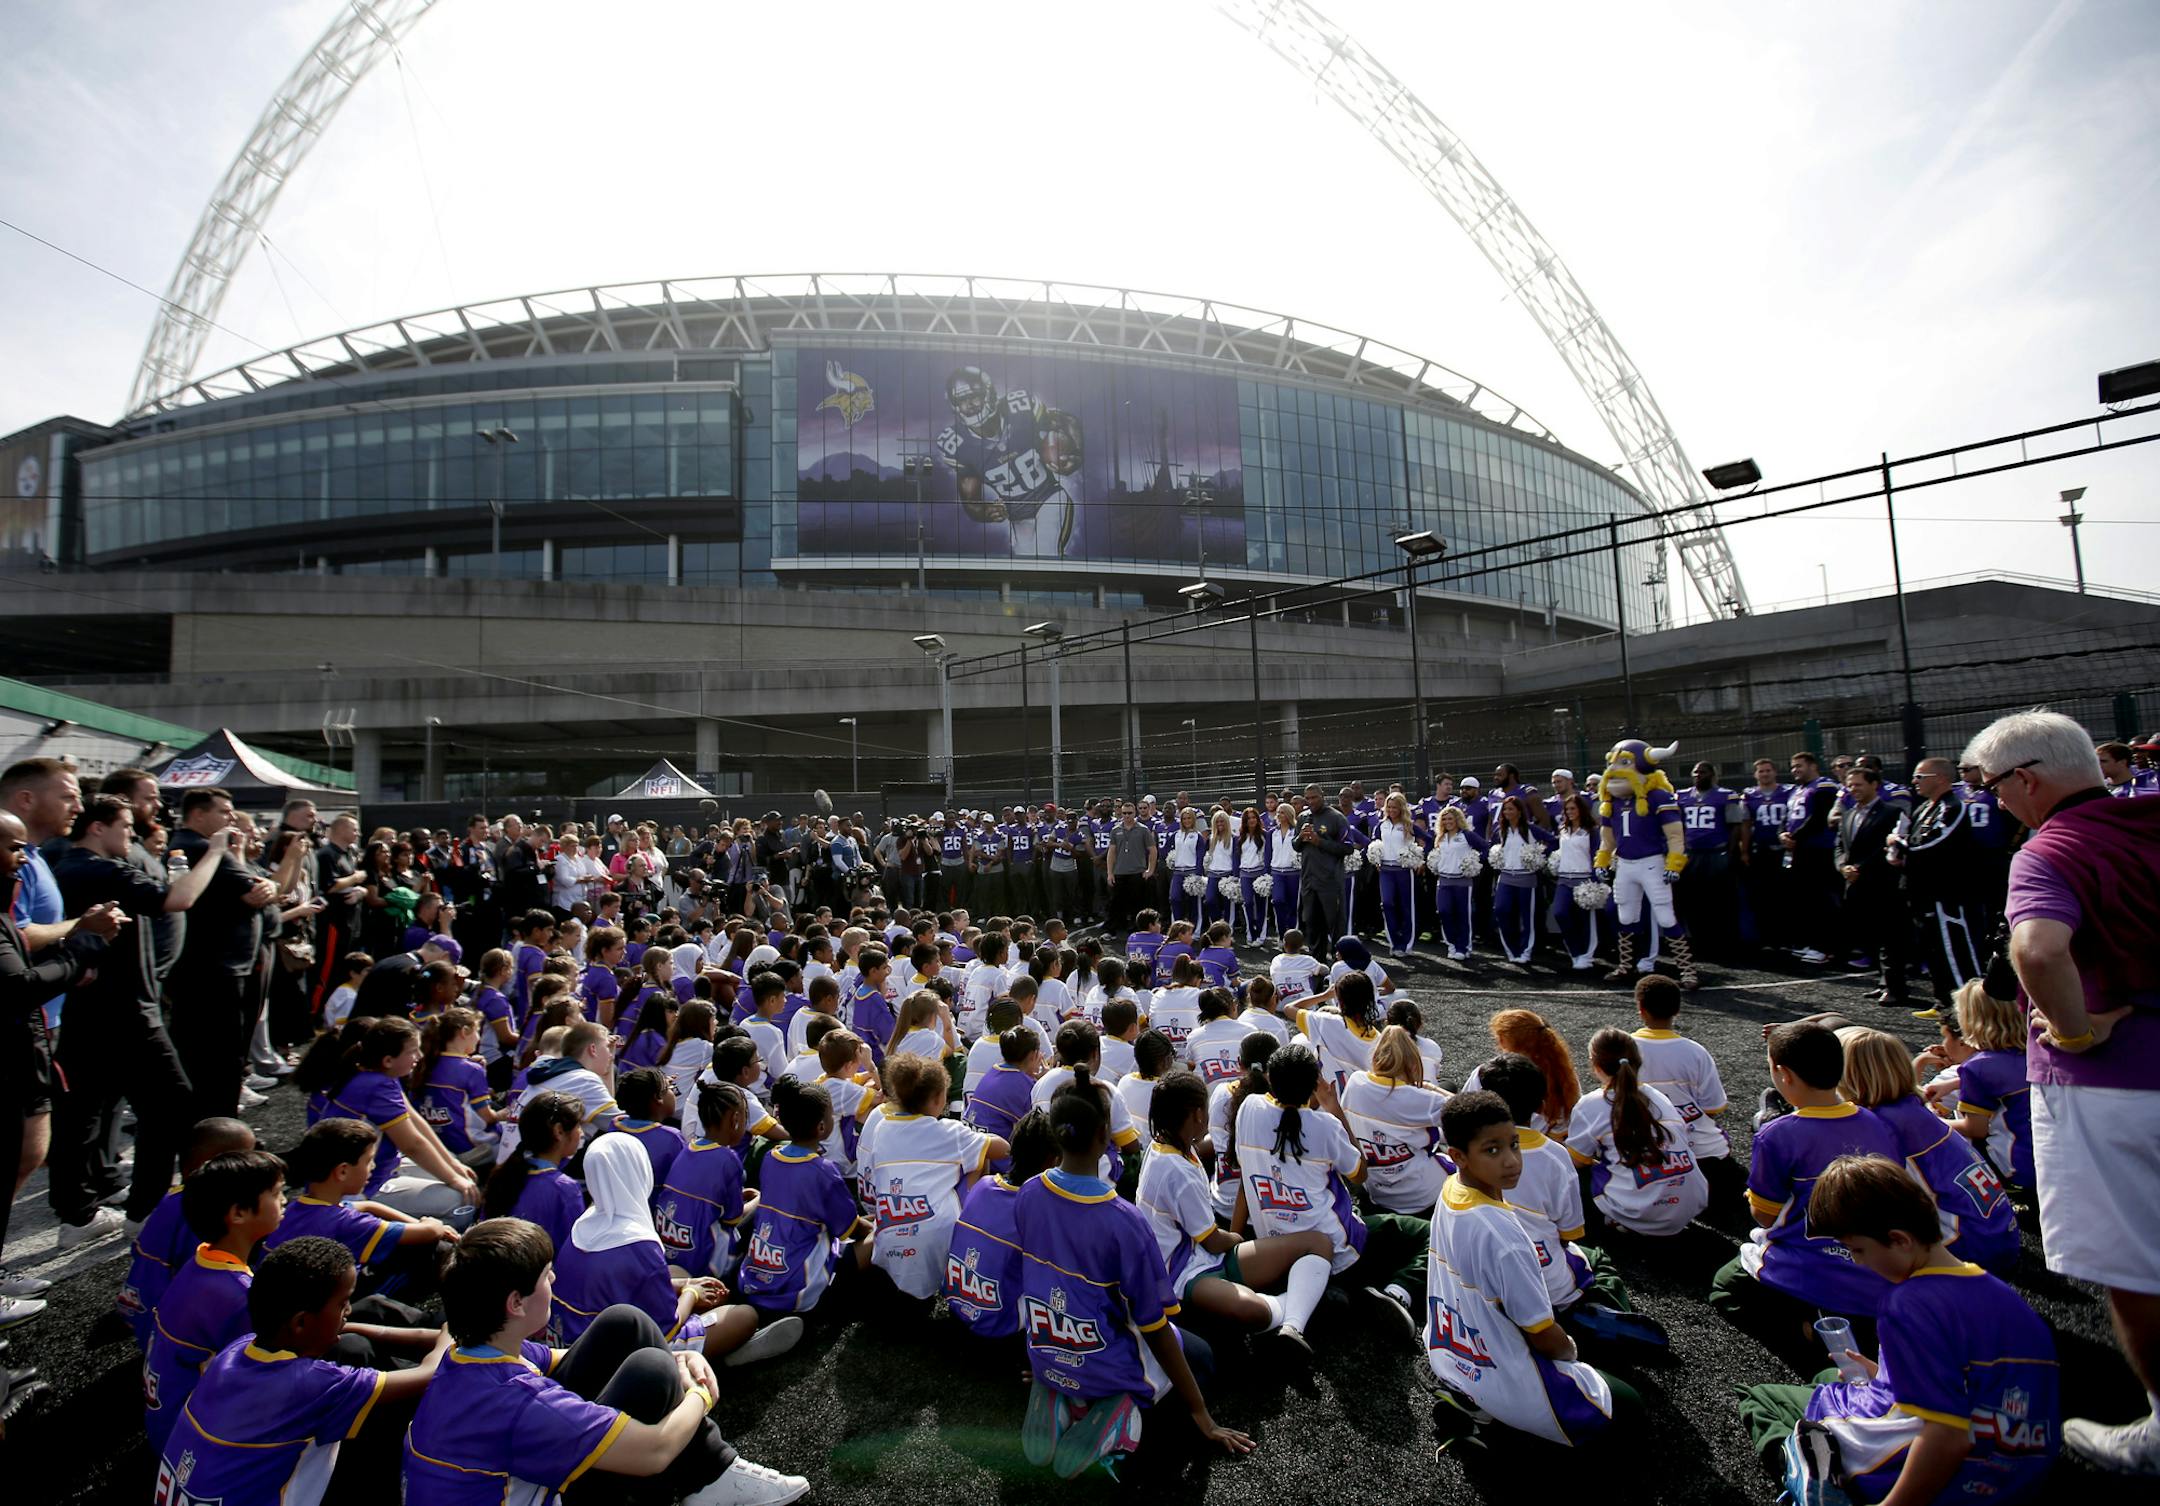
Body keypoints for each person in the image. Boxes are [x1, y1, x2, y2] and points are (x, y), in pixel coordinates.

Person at [1962, 704, 2160, 1473]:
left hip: (2109, 1088)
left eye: (1996, 786)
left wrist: (2076, 1030)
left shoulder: (2051, 848)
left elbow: (2038, 951)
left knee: (2135, 1265)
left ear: (2031, 778)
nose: (1997, 801)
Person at [406, 1216, 809, 1506]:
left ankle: (711, 1478)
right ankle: (712, 1477)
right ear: (515, 1303)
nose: (554, 1282)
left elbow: (564, 1356)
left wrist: (678, 1355)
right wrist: (699, 1393)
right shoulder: (523, 1402)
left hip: (513, 1476)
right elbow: (655, 1450)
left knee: (625, 1323)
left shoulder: (472, 1353)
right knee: (651, 1372)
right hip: (544, 1489)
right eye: (546, 1275)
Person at [1735, 1156, 2059, 1506]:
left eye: (1858, 1250)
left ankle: (1819, 1483)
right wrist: (1885, 1375)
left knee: (1761, 1398)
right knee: (1833, 1374)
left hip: (1932, 1475)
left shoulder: (1907, 1304)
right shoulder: (2005, 1297)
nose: (1858, 1261)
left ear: (1900, 1240)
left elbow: (1947, 1436)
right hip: (2015, 1476)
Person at [1014, 1067, 1254, 1479]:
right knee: (1203, 1359)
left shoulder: (1029, 1192)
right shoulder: (1123, 1221)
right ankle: (1119, 1410)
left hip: (1048, 1341)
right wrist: (1203, 1416)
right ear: (1105, 1136)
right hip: (1102, 1354)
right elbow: (1155, 1326)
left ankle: (1057, 1388)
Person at [156, 1235, 450, 1506]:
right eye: (343, 1303)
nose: (348, 1311)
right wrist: (455, 1328)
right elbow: (428, 1375)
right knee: (414, 1407)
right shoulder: (309, 1385)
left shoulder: (236, 1351)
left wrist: (353, 1326)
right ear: (300, 1323)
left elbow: (346, 1331)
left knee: (351, 1348)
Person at [47, 792, 219, 1241]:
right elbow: (178, 898)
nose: (132, 834)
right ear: (98, 827)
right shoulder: (100, 869)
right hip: (125, 1009)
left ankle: (77, 1217)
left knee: (81, 1116)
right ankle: (144, 1212)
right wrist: (219, 850)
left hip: (88, 1008)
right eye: (125, 825)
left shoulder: (62, 866)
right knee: (171, 1105)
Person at [1425, 1090, 1634, 1446]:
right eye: (1492, 1150)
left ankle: (1473, 1406)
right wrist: (1571, 1351)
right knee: (1629, 1408)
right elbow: (1542, 1334)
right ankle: (1497, 1436)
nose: (1511, 1161)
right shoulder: (1506, 1239)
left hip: (1447, 1352)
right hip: (1504, 1377)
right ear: (1458, 1156)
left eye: (1514, 1145)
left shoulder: (1450, 1188)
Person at [1709, 1021, 1902, 1349]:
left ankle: (1810, 1331)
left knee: (1724, 1287)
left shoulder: (1778, 1135)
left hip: (1814, 1263)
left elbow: (1764, 1216)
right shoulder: (1876, 1122)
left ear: (1784, 1075)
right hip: (1878, 1266)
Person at [551, 1133, 802, 1367]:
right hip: (621, 1361)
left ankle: (722, 1348)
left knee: (677, 1271)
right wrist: (691, 1293)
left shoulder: (583, 1226)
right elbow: (667, 1328)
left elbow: (621, 1284)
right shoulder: (637, 1244)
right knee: (744, 1316)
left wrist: (685, 1283)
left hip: (574, 1347)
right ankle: (723, 1357)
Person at [1233, 1041, 1428, 1338]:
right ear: (1314, 1085)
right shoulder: (1324, 1125)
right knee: (1426, 1233)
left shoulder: (1248, 1109)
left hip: (1274, 1252)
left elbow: (1247, 1180)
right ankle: (1397, 1291)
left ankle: (1327, 1299)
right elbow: (1361, 1174)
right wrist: (1334, 1109)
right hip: (1338, 1252)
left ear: (1270, 1078)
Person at [1834, 1027, 2018, 1274]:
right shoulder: (1910, 1107)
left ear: (1848, 1076)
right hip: (1999, 1236)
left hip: (1966, 1251)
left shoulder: (1881, 1125)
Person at [143, 1147, 288, 1453]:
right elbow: (271, 1376)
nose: (285, 1200)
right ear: (238, 1214)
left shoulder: (201, 1261)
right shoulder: (239, 1293)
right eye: (276, 1194)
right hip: (197, 1441)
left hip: (167, 1424)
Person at [856, 1053, 1006, 1300]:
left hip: (888, 1248)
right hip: (938, 1245)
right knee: (978, 1158)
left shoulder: (882, 1127)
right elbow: (1001, 1148)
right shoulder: (949, 1131)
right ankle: (968, 1234)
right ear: (938, 1099)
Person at [738, 1077, 872, 1317]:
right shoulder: (823, 1170)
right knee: (884, 1239)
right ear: (821, 1127)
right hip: (799, 1285)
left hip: (759, 1270)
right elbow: (851, 1229)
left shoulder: (771, 1157)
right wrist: (876, 1228)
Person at [1564, 1029, 1708, 1237]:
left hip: (1642, 1214)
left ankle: (1617, 1219)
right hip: (1689, 1206)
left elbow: (1575, 1162)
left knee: (1571, 1171)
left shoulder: (1591, 1104)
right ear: (1637, 1061)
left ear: (1594, 1065)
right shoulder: (1659, 1097)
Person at [1896, 757, 1987, 1020]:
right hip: (1923, 891)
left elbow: (1935, 843)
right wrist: (1898, 849)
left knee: (1956, 949)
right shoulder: (1924, 807)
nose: (1914, 782)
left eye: (1920, 777)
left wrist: (1902, 847)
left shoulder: (1953, 807)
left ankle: (1970, 1008)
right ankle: (1943, 1001)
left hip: (1948, 893)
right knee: (1933, 949)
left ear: (1941, 779)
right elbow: (1910, 838)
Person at [1629, 975, 1735, 1194]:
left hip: (1645, 1155)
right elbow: (1712, 1107)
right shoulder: (1696, 1051)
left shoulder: (1625, 1048)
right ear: (1677, 1010)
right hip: (1702, 1153)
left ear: (1641, 1009)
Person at [1338, 1026, 1452, 1217]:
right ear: (1413, 1065)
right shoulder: (1421, 1099)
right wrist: (1431, 1088)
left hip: (1378, 1193)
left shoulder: (1355, 1083)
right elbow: (1468, 1110)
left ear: (1375, 1059)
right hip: (1424, 1197)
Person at [1837, 764, 1911, 1005]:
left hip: (1883, 885)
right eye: (1850, 785)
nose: (1853, 789)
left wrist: (1861, 869)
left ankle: (1896, 987)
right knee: (1873, 937)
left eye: (1858, 784)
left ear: (1874, 785)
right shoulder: (1847, 814)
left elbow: (1889, 848)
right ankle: (1883, 982)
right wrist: (1842, 867)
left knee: (1892, 938)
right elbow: (1840, 847)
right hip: (1856, 885)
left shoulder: (1891, 812)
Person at [482, 1090, 587, 1257]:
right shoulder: (564, 1188)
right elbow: (574, 1251)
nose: (581, 1133)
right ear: (559, 1131)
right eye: (579, 1125)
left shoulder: (504, 1175)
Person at [1781, 751, 1844, 965]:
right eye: (1793, 766)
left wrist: (1795, 837)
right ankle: (1811, 942)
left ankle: (1827, 947)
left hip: (1819, 850)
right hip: (1800, 851)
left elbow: (1819, 818)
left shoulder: (1824, 786)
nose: (1795, 770)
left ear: (1813, 765)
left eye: (1799, 766)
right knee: (1805, 899)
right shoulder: (1796, 790)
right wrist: (1783, 833)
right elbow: (1788, 818)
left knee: (1822, 900)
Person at [1292, 785, 1353, 960]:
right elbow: (1295, 846)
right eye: (1308, 798)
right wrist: (1301, 837)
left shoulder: (1336, 818)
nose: (1311, 801)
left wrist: (1320, 842)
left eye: (1314, 797)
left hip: (1330, 881)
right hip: (1309, 880)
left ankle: (1339, 958)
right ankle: (1316, 961)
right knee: (1311, 923)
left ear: (1323, 796)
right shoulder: (1303, 817)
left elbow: (1348, 848)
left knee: (1334, 923)